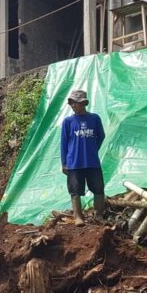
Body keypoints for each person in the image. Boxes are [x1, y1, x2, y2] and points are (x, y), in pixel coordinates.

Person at [60, 89, 107, 226]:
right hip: (74, 163)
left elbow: (101, 136)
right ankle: (78, 217)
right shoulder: (68, 122)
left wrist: (92, 149)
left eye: (76, 103)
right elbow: (64, 143)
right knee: (75, 190)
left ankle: (98, 215)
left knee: (98, 188)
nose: (73, 106)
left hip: (92, 162)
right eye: (72, 103)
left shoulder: (94, 118)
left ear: (83, 103)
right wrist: (64, 163)